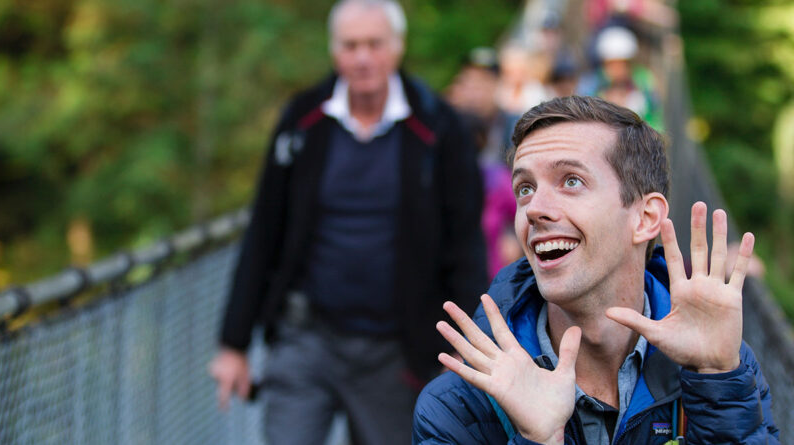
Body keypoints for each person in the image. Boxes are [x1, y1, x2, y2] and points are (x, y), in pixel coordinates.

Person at [413, 96, 779, 444]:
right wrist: (537, 441)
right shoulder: (457, 405)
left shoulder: (723, 362)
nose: (534, 208)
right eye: (525, 188)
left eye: (571, 181)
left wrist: (716, 382)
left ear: (645, 218)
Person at [209, 1, 488, 444]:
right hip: (305, 339)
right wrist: (233, 344)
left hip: (397, 351)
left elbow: (465, 244)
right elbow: (265, 229)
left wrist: (475, 346)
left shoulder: (438, 127)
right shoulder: (303, 120)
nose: (362, 58)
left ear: (397, 47)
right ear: (334, 50)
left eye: (374, 44)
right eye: (350, 45)